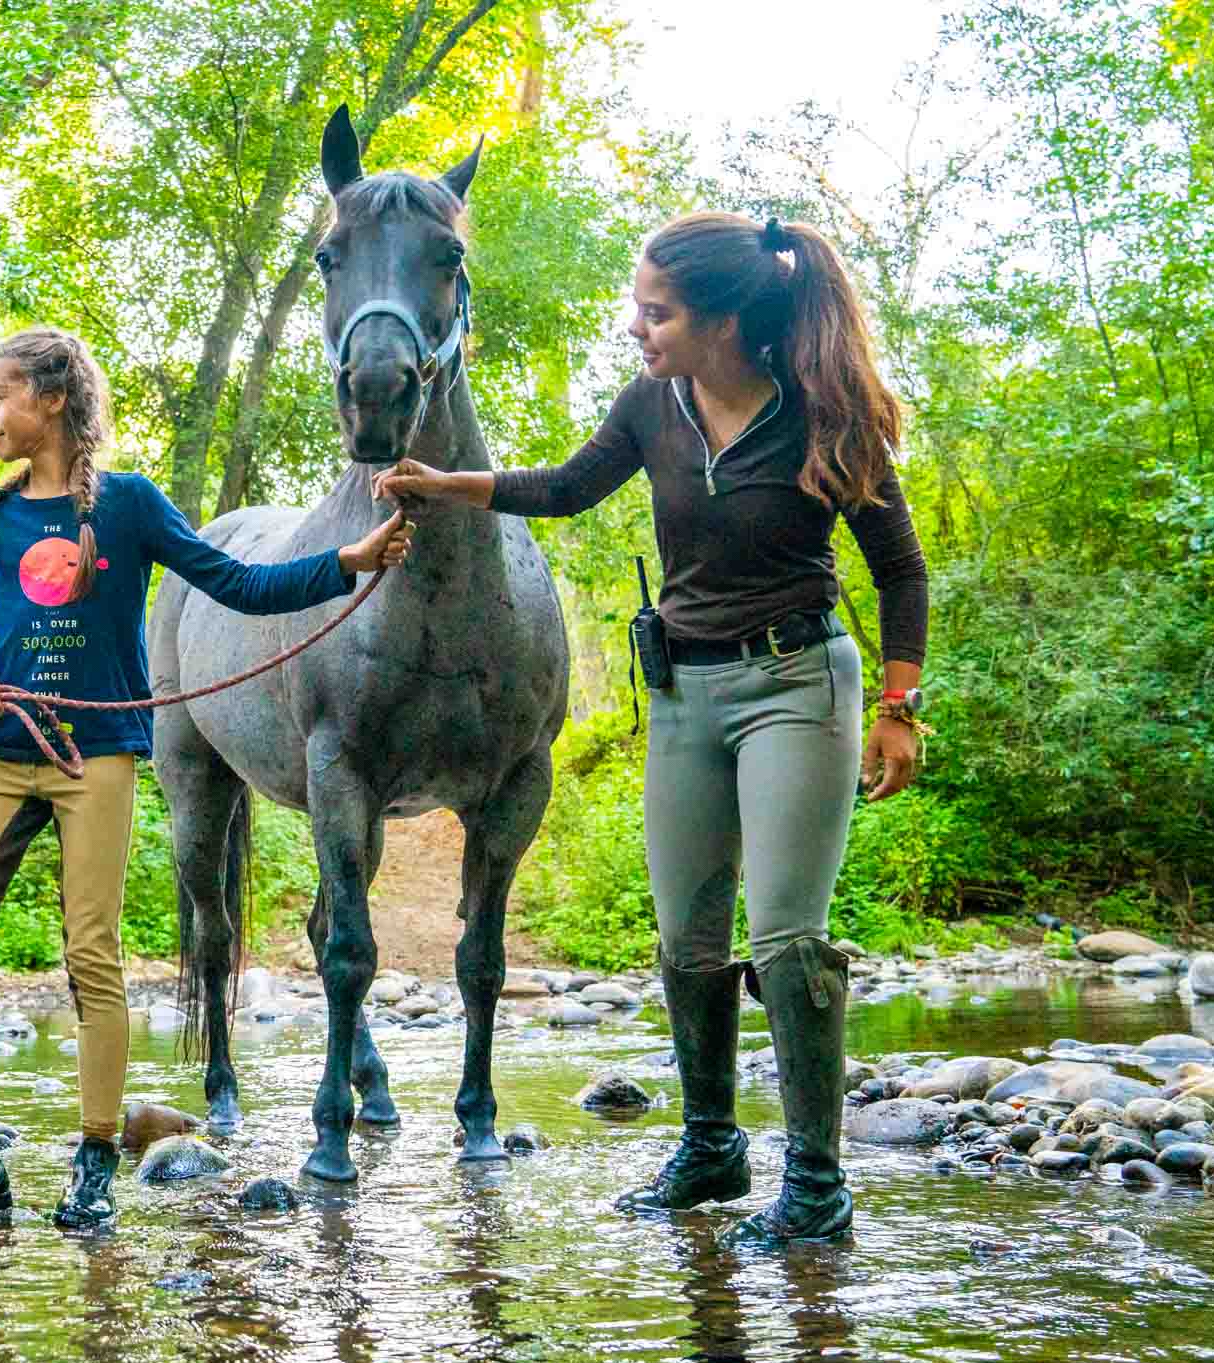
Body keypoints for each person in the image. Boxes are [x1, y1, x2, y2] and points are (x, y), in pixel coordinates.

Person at [376, 214, 931, 1246]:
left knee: (790, 939)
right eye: (640, 308)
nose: (639, 327)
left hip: (796, 685)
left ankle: (815, 1184)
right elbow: (570, 487)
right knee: (686, 940)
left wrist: (899, 712)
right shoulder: (650, 405)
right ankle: (714, 1148)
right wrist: (444, 485)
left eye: (658, 311)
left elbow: (899, 568)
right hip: (685, 694)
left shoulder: (820, 410)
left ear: (723, 321)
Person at [0, 327, 412, 1233]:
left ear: (53, 401)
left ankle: (96, 1154)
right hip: (5, 754)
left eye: (0, 397)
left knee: (90, 948)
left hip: (93, 755)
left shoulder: (132, 507)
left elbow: (238, 583)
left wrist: (347, 563)